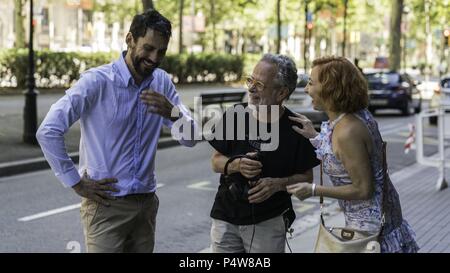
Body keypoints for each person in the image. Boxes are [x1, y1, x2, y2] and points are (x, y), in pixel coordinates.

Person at [36, 9, 197, 253]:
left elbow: (192, 138)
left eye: (161, 51)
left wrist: (173, 112)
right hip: (106, 207)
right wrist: (76, 182)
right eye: (148, 48)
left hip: (145, 204)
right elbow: (48, 130)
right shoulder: (97, 82)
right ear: (130, 39)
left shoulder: (162, 82)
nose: (154, 58)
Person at [287, 56, 419, 253]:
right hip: (379, 223)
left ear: (331, 88)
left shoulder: (348, 131)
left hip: (371, 233)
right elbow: (343, 155)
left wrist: (313, 189)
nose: (307, 89)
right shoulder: (354, 116)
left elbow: (363, 189)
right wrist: (315, 136)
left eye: (311, 83)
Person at [208, 54, 320, 253]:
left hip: (269, 222)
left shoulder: (298, 128)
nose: (251, 88)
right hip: (225, 217)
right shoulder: (235, 115)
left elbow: (306, 177)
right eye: (250, 80)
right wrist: (236, 164)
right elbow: (216, 161)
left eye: (259, 84)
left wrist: (277, 185)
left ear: (281, 93)